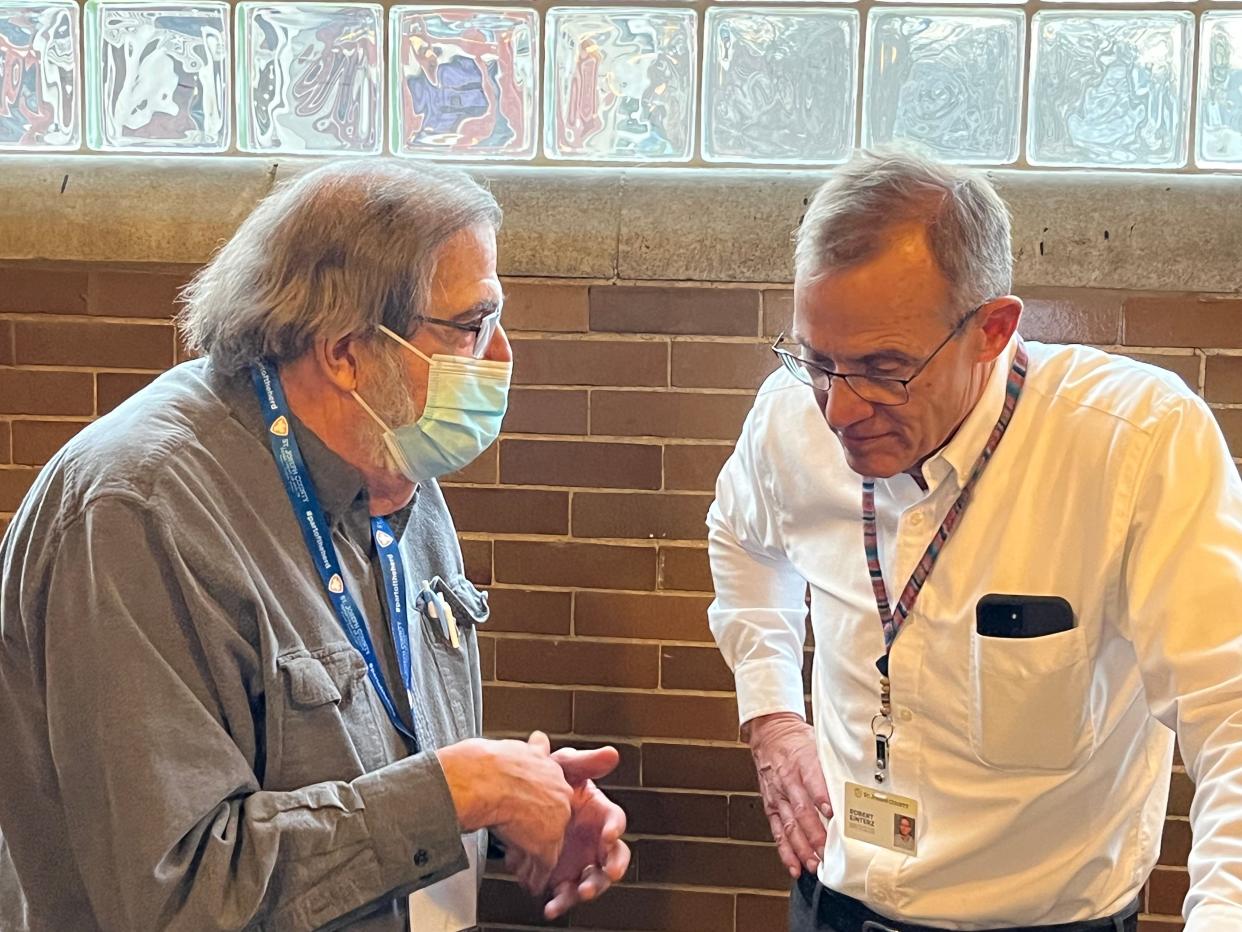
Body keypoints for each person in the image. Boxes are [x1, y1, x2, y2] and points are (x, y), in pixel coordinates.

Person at [0, 159, 629, 931]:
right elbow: (181, 893)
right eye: (472, 326)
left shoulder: (393, 458)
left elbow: (352, 776)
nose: (501, 358)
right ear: (346, 351)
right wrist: (456, 792)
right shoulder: (136, 514)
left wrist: (509, 803)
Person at [706, 150, 1242, 932]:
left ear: (992, 330)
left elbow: (1229, 709)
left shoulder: (1137, 444)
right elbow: (741, 540)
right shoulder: (789, 418)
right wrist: (774, 717)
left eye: (885, 369)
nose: (839, 411)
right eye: (818, 362)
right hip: (837, 904)